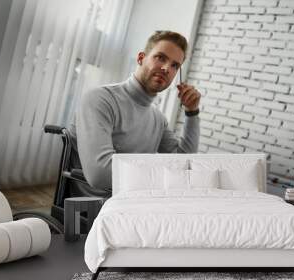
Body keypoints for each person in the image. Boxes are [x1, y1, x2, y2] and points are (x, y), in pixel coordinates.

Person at [72, 30, 201, 196]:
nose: (166, 68)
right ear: (141, 58)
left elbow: (183, 162)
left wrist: (192, 112)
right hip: (100, 207)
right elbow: (99, 176)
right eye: (160, 57)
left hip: (137, 201)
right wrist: (164, 175)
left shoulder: (158, 119)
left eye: (175, 65)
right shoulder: (100, 100)